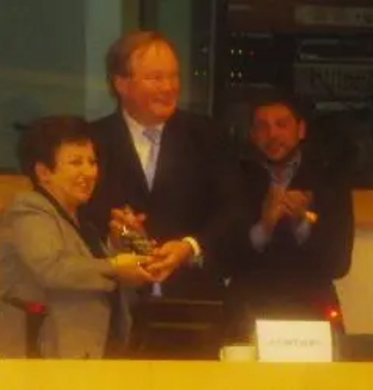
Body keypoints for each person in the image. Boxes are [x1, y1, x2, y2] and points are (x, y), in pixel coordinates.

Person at [82, 30, 244, 357]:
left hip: (194, 305)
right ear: (121, 84)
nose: (169, 87)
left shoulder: (207, 135)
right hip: (112, 309)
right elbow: (76, 217)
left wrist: (189, 246)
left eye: (173, 77)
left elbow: (236, 209)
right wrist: (115, 239)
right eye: (156, 78)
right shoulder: (90, 141)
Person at [0, 116, 155, 358]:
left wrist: (131, 250)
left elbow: (112, 283)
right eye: (76, 163)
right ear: (44, 172)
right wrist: (116, 266)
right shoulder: (27, 208)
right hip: (40, 357)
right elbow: (52, 267)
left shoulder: (84, 224)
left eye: (92, 162)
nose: (89, 172)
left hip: (91, 355)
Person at [220, 89, 354, 343]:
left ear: (300, 129)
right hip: (247, 311)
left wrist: (302, 223)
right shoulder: (234, 178)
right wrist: (263, 228)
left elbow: (339, 264)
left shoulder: (330, 180)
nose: (273, 135)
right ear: (252, 135)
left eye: (282, 125)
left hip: (313, 310)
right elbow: (223, 261)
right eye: (262, 127)